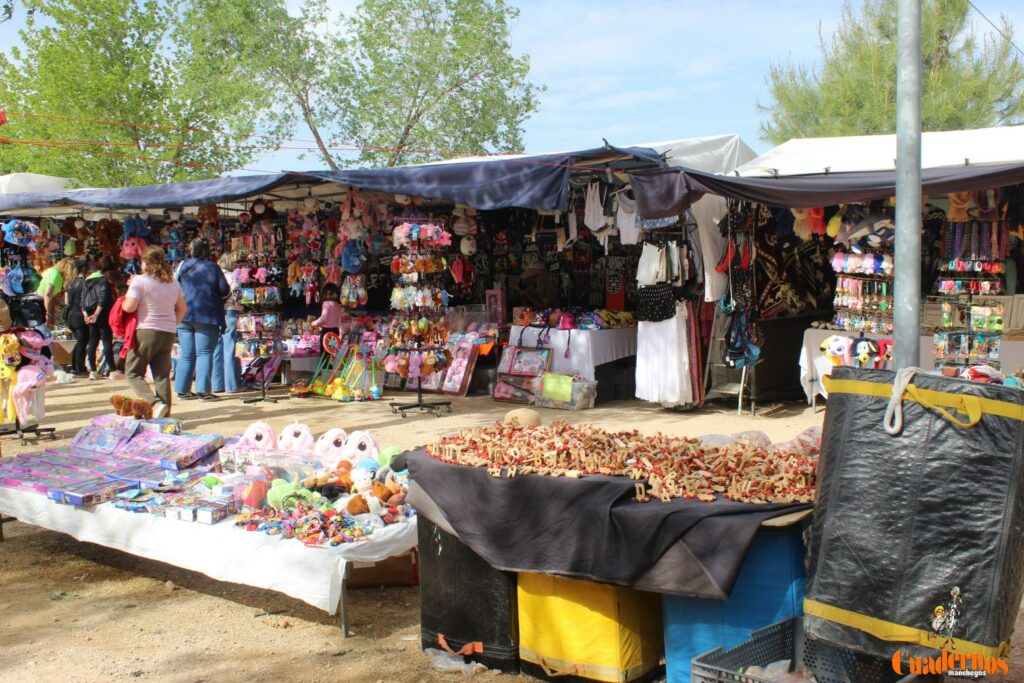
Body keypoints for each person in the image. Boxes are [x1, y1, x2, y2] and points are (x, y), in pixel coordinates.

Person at [122, 246, 186, 419]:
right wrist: (172, 322)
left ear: (145, 262)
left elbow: (130, 306)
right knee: (162, 376)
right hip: (168, 331)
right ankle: (164, 416)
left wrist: (121, 304)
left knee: (133, 372)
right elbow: (182, 308)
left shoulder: (139, 281)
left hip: (146, 330)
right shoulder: (173, 282)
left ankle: (154, 404)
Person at [174, 238, 229, 401]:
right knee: (205, 353)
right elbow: (224, 289)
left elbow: (175, 285)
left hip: (184, 314)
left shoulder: (182, 266)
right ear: (206, 251)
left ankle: (182, 390)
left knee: (186, 354)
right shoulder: (212, 267)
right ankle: (203, 391)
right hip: (206, 315)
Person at [82, 257, 120, 380]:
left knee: (92, 341)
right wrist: (97, 314)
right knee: (106, 340)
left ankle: (93, 370)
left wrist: (86, 315)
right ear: (106, 271)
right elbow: (103, 299)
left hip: (89, 313)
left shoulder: (87, 281)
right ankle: (113, 371)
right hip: (102, 313)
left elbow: (82, 300)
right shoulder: (104, 281)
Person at [212, 252, 241, 394]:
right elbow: (237, 296)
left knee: (217, 348)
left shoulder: (215, 276)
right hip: (230, 311)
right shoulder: (233, 276)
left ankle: (217, 384)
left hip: (217, 312)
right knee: (229, 347)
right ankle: (231, 385)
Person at [63, 258, 90, 375]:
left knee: (75, 342)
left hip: (70, 315)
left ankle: (73, 366)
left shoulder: (70, 282)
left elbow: (67, 302)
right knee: (82, 342)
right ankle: (79, 367)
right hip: (80, 315)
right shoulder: (85, 282)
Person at [37, 257, 77, 328]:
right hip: (40, 301)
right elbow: (47, 294)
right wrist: (48, 314)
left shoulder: (59, 276)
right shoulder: (55, 273)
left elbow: (51, 295)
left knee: (50, 327)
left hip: (44, 301)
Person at [311, 282, 348, 355]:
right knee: (333, 353)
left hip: (326, 332)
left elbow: (324, 318)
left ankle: (325, 366)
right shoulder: (338, 305)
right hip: (335, 331)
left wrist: (314, 323)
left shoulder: (326, 304)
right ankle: (332, 366)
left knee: (325, 354)